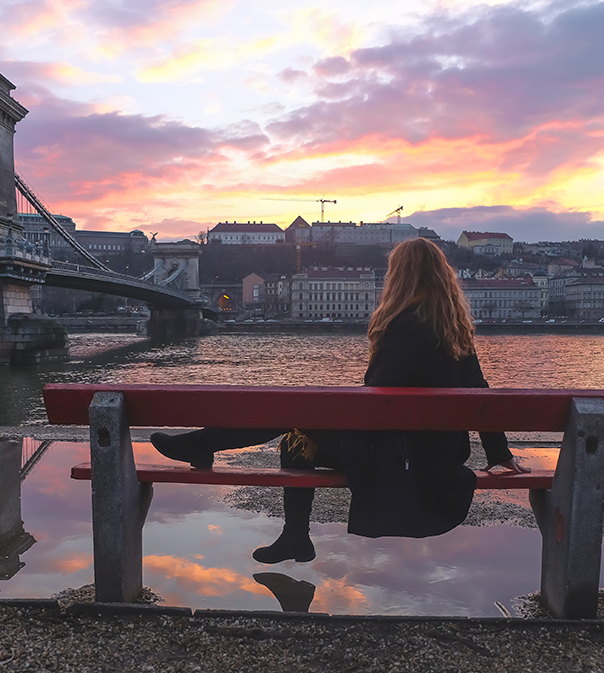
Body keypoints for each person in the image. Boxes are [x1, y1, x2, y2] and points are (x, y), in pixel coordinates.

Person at [151, 237, 527, 564]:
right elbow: (483, 398)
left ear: (400, 277)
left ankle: (202, 445)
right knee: (297, 440)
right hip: (431, 457)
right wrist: (499, 454)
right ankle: (294, 537)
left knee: (292, 411)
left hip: (398, 460)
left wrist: (334, 406)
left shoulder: (406, 325)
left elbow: (377, 400)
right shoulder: (456, 333)